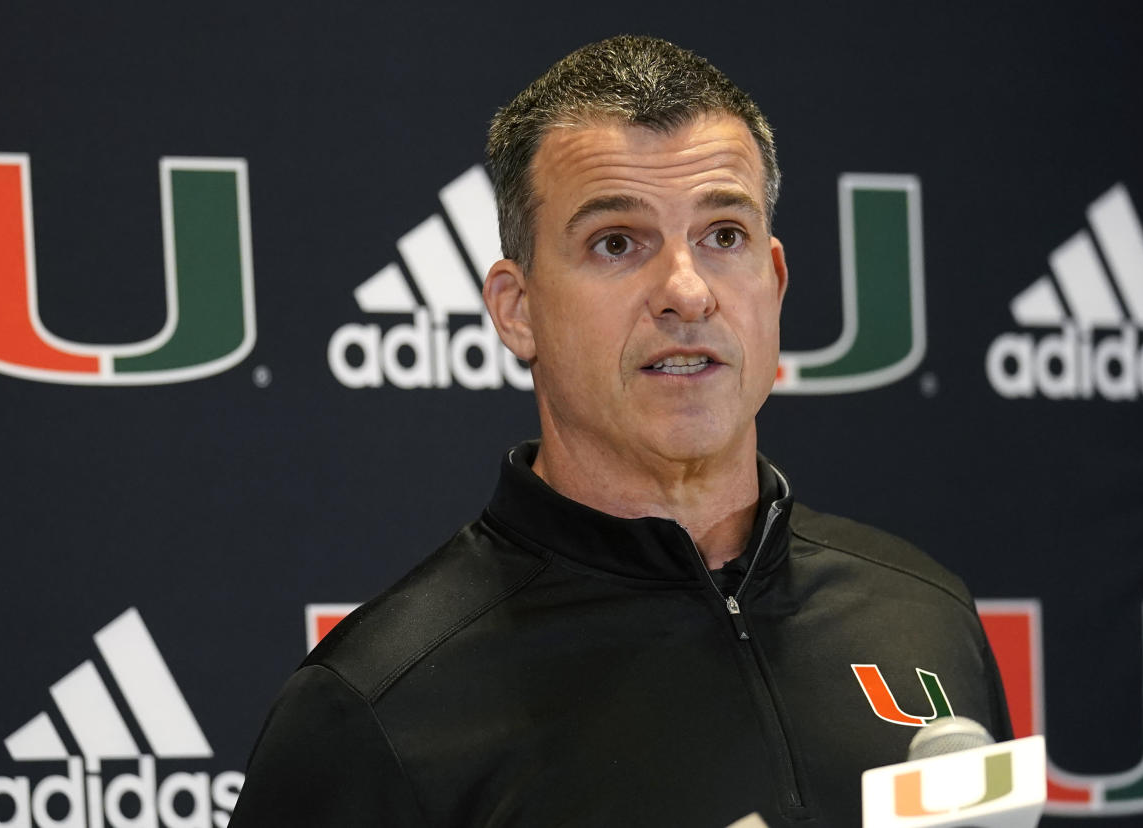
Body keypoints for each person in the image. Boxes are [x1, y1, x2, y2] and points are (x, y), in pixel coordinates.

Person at [230, 35, 1011, 827]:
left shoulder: (922, 610)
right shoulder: (375, 708)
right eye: (616, 243)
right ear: (517, 308)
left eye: (724, 236)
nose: (686, 291)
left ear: (773, 284)